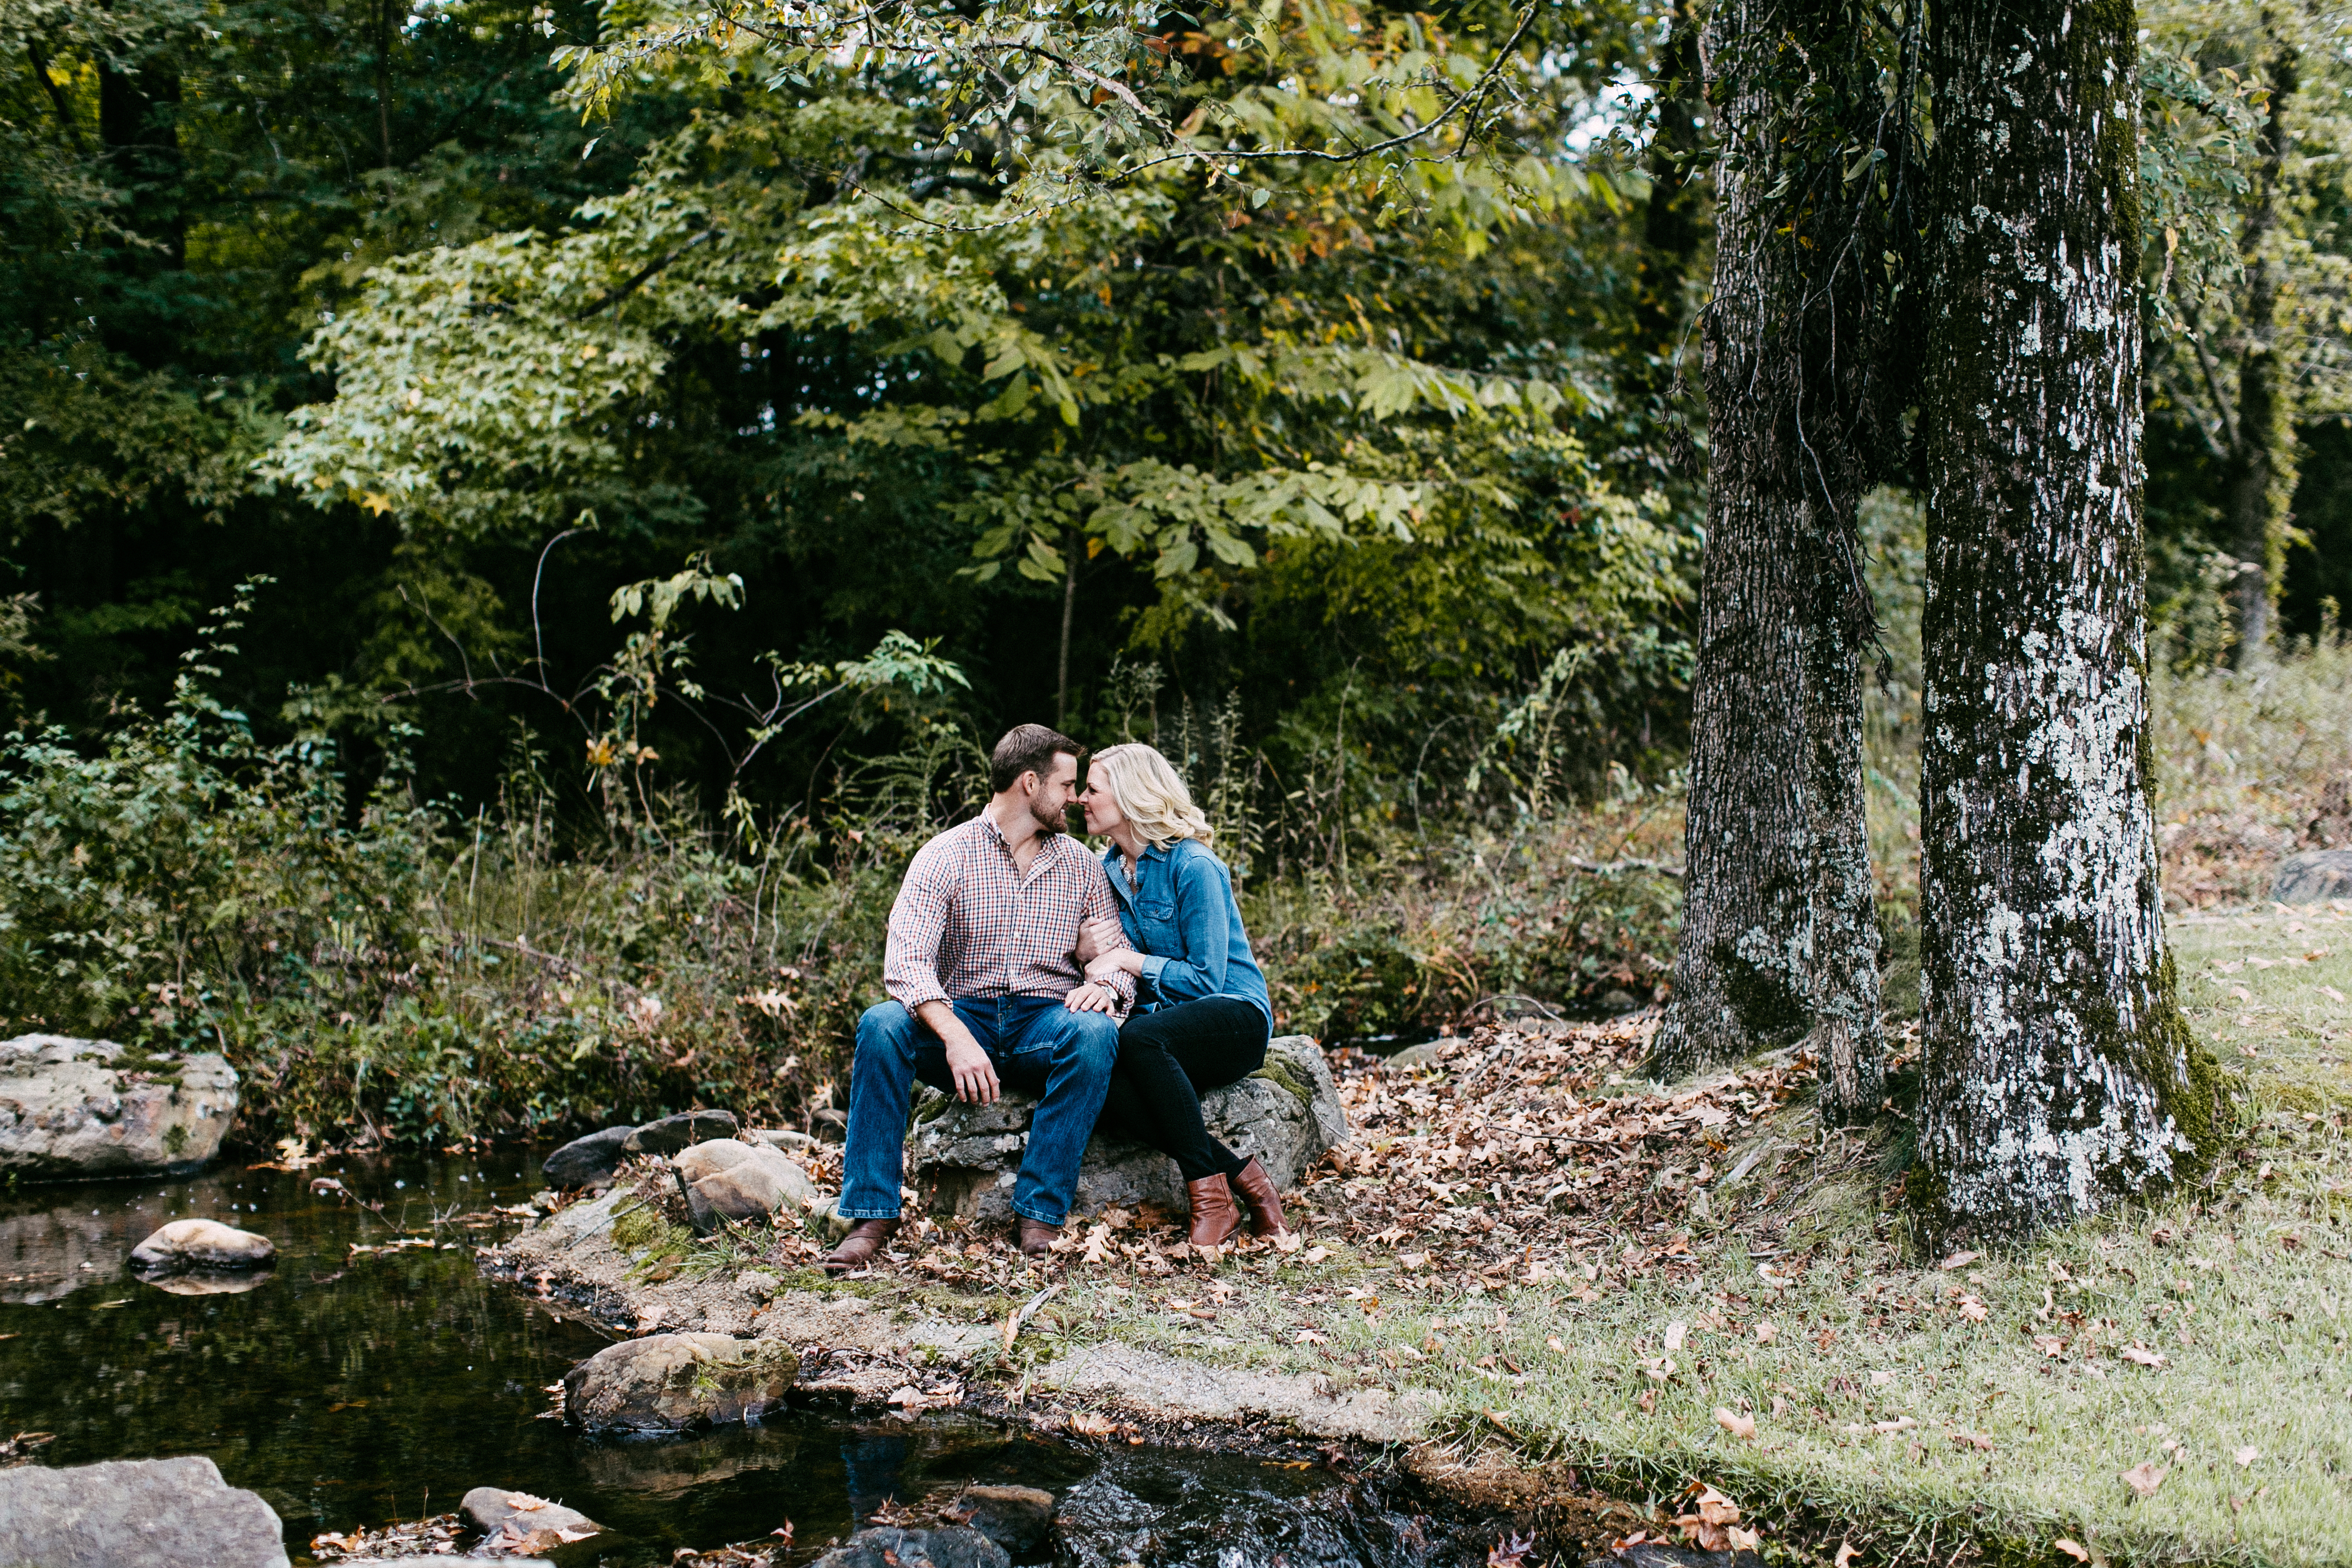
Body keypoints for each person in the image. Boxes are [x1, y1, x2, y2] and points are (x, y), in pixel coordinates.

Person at [823, 725, 1136, 1272]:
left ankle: (1039, 1214)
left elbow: (1119, 961)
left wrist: (1104, 984)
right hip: (962, 1017)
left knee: (1095, 1033)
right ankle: (873, 1214)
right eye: (1066, 785)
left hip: (1046, 1023)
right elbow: (906, 964)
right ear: (1030, 782)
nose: (1075, 798)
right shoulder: (944, 856)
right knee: (881, 1024)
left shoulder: (1082, 865)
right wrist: (957, 1036)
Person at [1074, 742, 1288, 1248]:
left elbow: (1206, 980)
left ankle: (1210, 1201)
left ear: (1128, 798)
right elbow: (1099, 955)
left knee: (1142, 1040)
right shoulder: (1104, 871)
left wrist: (1127, 960)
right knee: (1102, 1074)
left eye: (1092, 789)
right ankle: (1243, 1179)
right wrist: (1088, 950)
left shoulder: (1194, 865)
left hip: (1234, 1018)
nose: (1081, 798)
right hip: (1163, 1029)